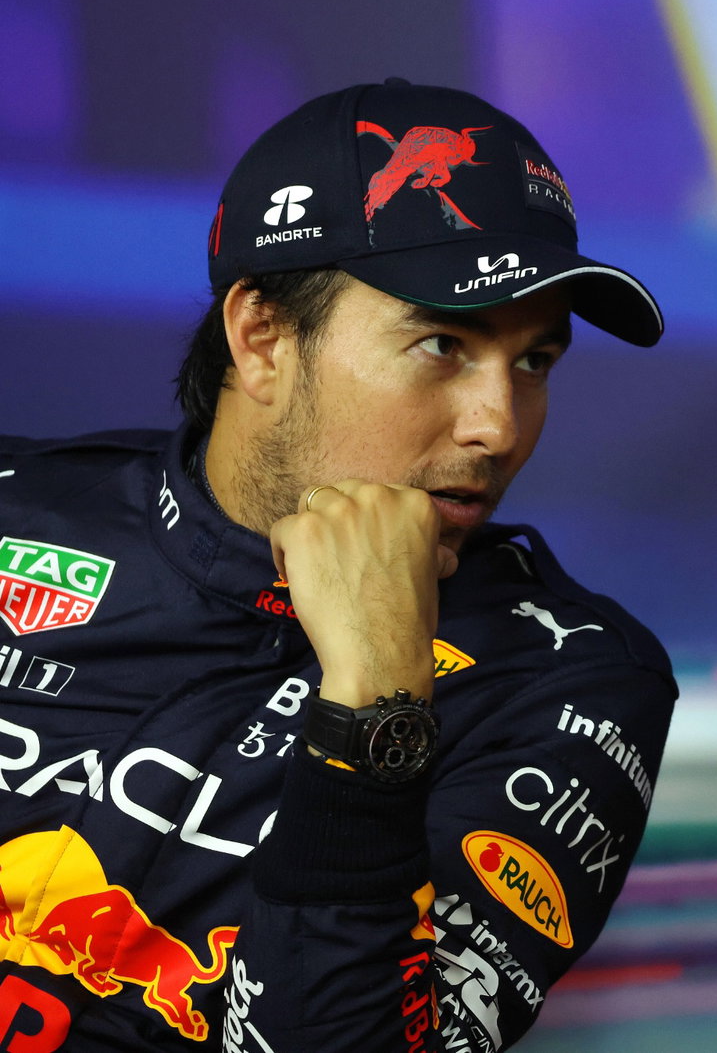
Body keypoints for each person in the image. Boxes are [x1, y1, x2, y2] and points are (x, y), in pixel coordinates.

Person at [0, 78, 676, 1051]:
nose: (497, 426)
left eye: (534, 362)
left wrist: (376, 708)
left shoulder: (572, 676)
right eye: (443, 342)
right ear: (262, 337)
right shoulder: (18, 506)